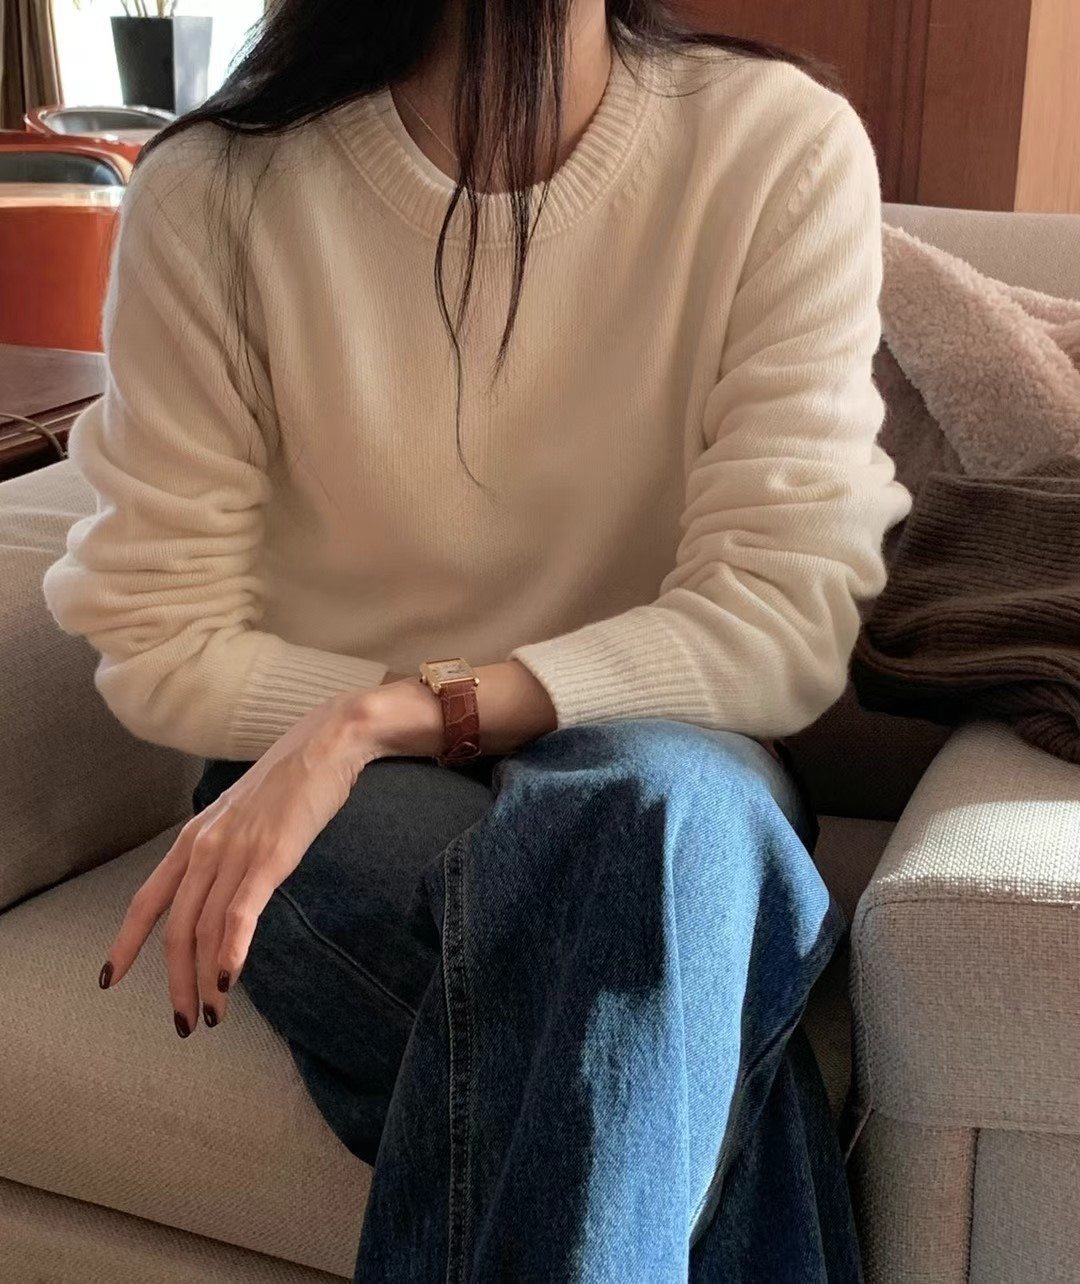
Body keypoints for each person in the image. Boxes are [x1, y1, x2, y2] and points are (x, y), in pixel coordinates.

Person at [43, 1, 910, 1279]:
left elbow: (778, 621)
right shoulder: (215, 189)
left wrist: (384, 715)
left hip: (665, 766)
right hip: (347, 806)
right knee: (651, 956)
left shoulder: (776, 146)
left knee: (646, 824)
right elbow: (161, 631)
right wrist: (359, 741)